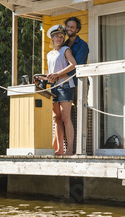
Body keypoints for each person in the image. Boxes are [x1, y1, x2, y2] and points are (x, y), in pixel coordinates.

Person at [46, 24, 77, 155]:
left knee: (65, 118)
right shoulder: (49, 54)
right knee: (57, 119)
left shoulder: (65, 49)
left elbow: (73, 65)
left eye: (61, 36)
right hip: (53, 88)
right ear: (52, 38)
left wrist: (58, 75)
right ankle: (59, 149)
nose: (59, 38)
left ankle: (69, 149)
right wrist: (44, 78)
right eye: (56, 36)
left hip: (65, 86)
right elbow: (51, 72)